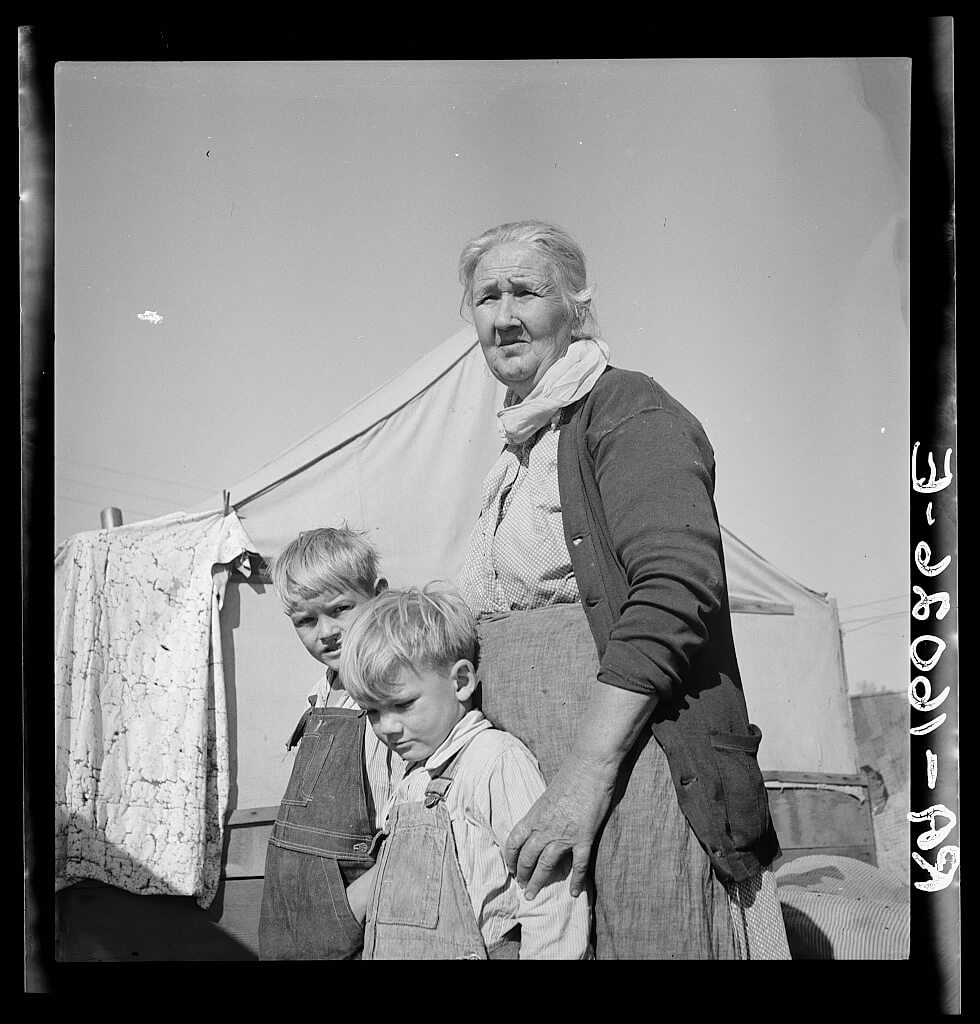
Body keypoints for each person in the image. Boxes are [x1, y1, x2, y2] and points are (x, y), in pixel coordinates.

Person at [454, 219, 792, 959]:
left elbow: (675, 588)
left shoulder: (627, 409)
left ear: (576, 304)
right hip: (545, 771)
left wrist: (586, 778)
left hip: (637, 763)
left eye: (527, 292)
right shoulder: (517, 450)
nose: (504, 316)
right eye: (485, 298)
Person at [339, 584, 591, 960]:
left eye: (402, 704)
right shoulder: (412, 779)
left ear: (460, 682)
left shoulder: (493, 761)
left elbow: (549, 893)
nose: (386, 727)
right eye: (373, 711)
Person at [257, 527, 403, 960]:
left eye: (340, 609)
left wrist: (354, 904)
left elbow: (409, 814)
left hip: (359, 906)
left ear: (378, 595)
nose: (326, 632)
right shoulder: (323, 691)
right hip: (297, 905)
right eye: (306, 620)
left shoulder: (393, 692)